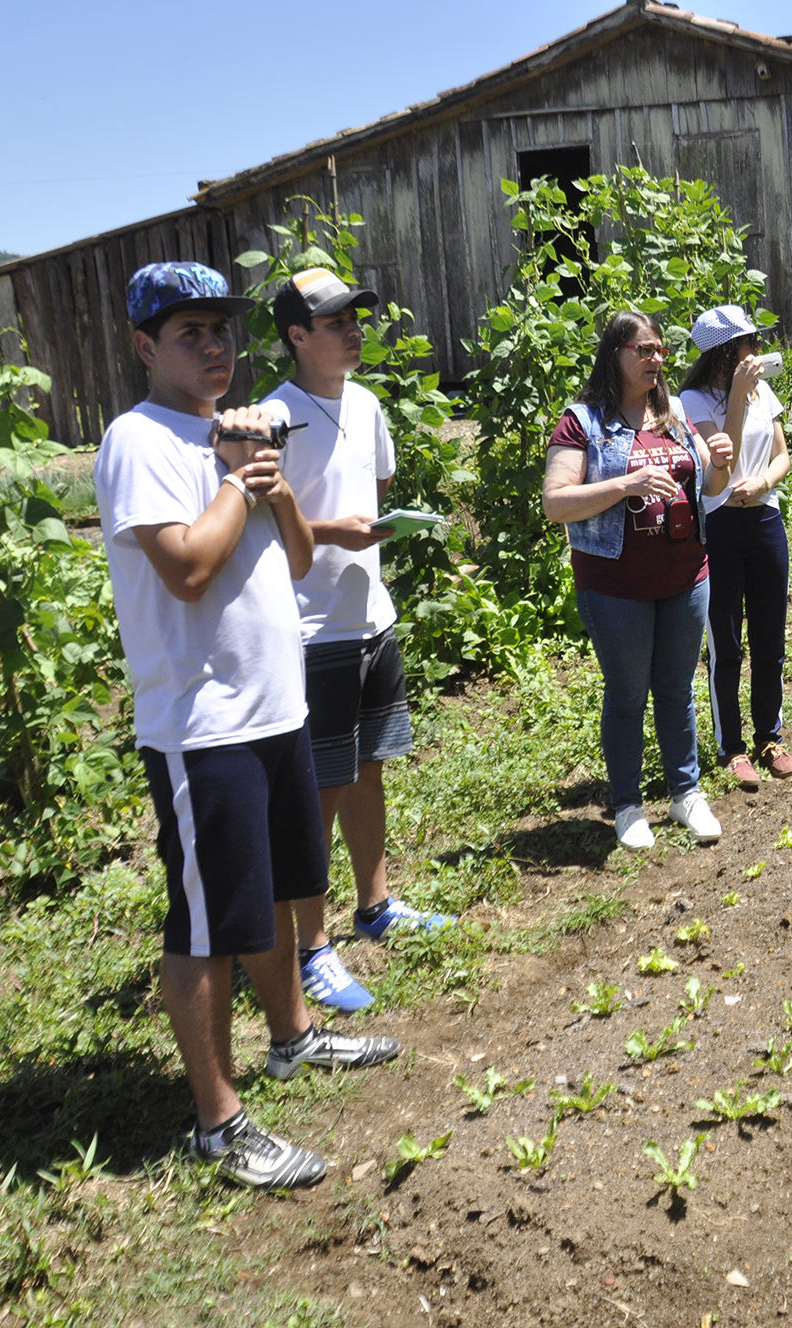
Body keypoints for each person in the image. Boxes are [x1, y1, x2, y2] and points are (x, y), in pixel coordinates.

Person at [93, 262, 399, 1188]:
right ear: (147, 347)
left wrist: (275, 488)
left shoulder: (234, 436)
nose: (215, 347)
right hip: (203, 725)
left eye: (222, 331)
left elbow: (298, 562)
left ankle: (292, 1038)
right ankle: (219, 1124)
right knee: (205, 923)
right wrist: (236, 478)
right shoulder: (139, 441)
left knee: (272, 892)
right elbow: (186, 570)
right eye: (190, 334)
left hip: (275, 708)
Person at [262, 268, 453, 1014]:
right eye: (334, 320)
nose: (353, 328)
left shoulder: (368, 404)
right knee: (320, 786)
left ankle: (374, 905)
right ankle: (311, 947)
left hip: (370, 615)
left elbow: (367, 502)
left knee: (369, 766)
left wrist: (368, 530)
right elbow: (260, 532)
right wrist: (332, 531)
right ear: (296, 336)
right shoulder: (272, 416)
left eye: (355, 317)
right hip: (310, 631)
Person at [541, 311, 735, 848]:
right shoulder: (582, 422)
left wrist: (720, 461)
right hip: (615, 585)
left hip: (686, 575)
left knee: (676, 689)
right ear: (615, 355)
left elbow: (712, 488)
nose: (654, 359)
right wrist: (625, 484)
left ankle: (686, 795)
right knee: (627, 695)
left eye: (659, 350)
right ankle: (628, 806)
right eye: (642, 350)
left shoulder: (673, 415)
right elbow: (555, 503)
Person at [678, 305, 792, 791]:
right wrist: (734, 398)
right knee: (726, 642)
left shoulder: (763, 392)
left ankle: (770, 737)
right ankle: (732, 748)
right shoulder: (693, 400)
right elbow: (717, 467)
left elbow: (782, 454)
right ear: (727, 353)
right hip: (723, 526)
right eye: (749, 344)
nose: (757, 352)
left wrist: (765, 481)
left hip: (766, 520)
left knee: (770, 639)